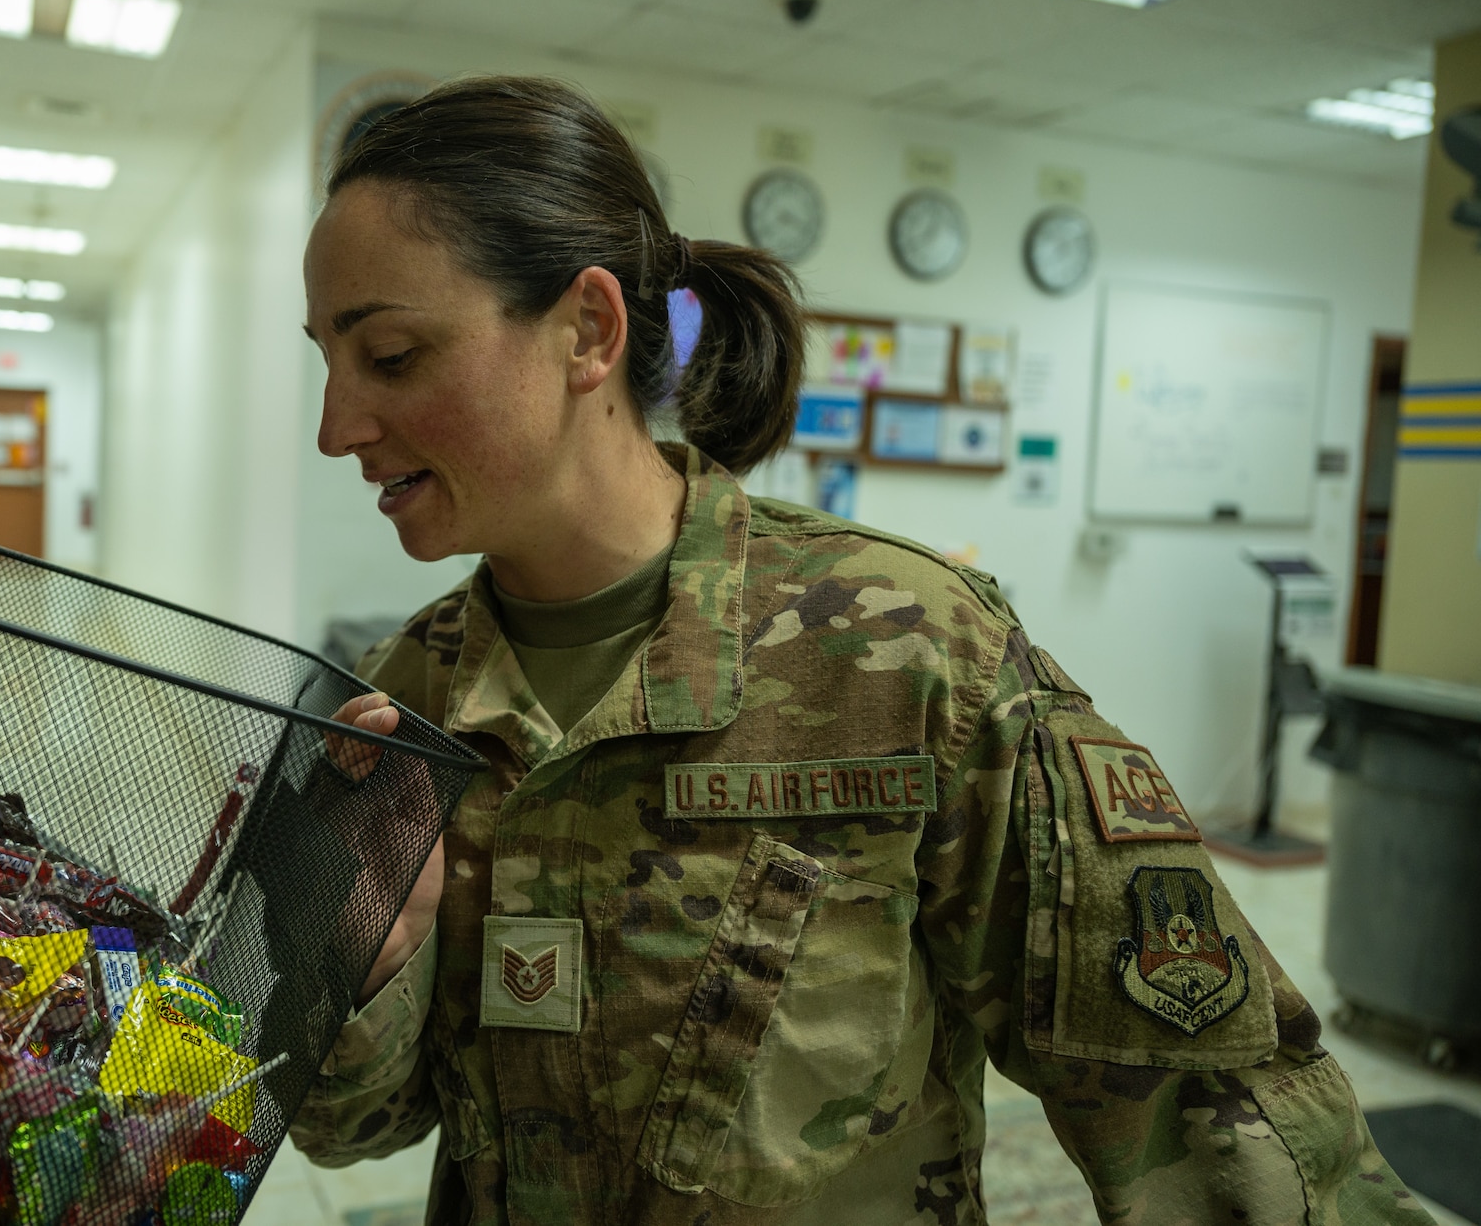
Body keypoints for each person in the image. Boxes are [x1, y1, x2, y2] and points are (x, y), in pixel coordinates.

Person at [288, 75, 1427, 1226]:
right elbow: (354, 1126)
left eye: (388, 356)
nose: (335, 427)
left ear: (586, 330)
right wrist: (371, 959)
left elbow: (1215, 1113)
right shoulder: (400, 701)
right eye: (326, 363)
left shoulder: (905, 651)